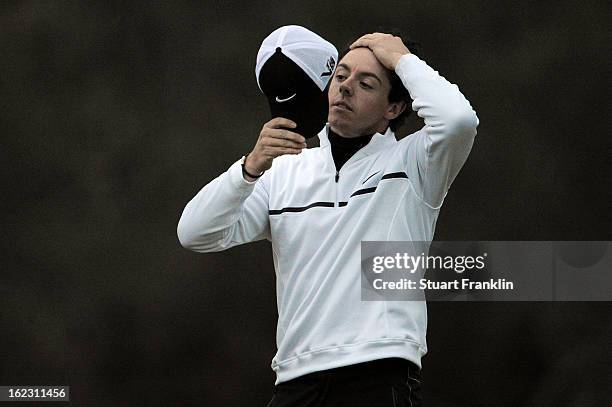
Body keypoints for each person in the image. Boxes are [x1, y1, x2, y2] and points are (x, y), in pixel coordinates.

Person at [177, 31, 479, 406]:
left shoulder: (415, 162)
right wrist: (249, 168)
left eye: (366, 83)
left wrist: (400, 57)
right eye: (340, 76)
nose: (346, 88)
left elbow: (459, 120)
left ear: (395, 108)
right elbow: (195, 232)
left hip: (378, 373)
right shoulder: (282, 170)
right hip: (294, 380)